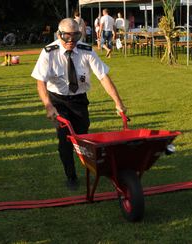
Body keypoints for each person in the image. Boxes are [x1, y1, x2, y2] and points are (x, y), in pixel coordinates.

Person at [31, 18, 126, 190]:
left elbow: (103, 77)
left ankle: (93, 169)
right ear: (59, 35)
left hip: (79, 100)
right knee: (65, 139)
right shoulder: (48, 52)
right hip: (58, 100)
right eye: (67, 38)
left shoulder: (86, 50)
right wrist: (48, 105)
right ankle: (71, 176)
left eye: (75, 37)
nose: (71, 42)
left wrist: (118, 102)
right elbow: (40, 82)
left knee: (83, 139)